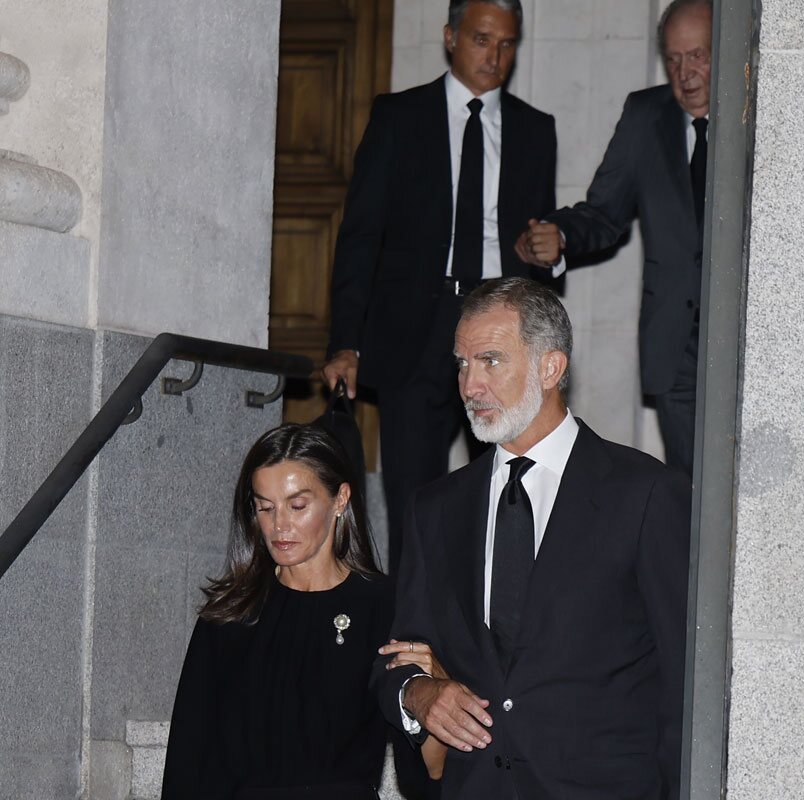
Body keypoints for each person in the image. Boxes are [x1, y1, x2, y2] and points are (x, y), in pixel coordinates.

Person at [375, 278, 691, 799]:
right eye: (461, 364)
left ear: (551, 367)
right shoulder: (436, 508)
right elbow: (399, 655)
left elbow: (684, 681)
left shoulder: (646, 494)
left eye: (490, 361)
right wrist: (420, 694)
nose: (470, 385)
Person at [321, 0, 561, 577]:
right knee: (413, 502)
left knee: (507, 494)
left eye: (507, 43)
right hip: (414, 333)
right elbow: (361, 236)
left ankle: (492, 630)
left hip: (501, 327)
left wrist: (548, 257)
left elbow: (538, 249)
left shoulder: (534, 129)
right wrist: (346, 342)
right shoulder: (400, 117)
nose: (494, 56)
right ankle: (411, 645)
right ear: (451, 37)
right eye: (482, 40)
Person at [161, 424, 442, 799]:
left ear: (340, 499)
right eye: (265, 507)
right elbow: (187, 762)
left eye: (297, 506)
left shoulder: (385, 605)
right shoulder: (230, 613)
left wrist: (436, 681)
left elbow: (431, 768)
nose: (279, 525)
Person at [515, 0, 714, 477]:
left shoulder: (761, 108)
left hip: (753, 338)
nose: (684, 73)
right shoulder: (646, 117)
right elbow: (604, 212)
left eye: (699, 56)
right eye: (673, 59)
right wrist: (560, 234)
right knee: (689, 489)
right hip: (676, 347)